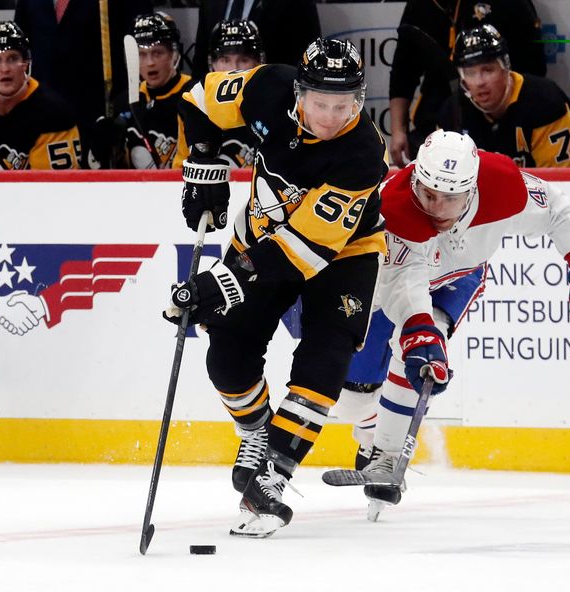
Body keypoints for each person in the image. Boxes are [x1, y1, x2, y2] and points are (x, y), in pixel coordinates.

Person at [165, 38, 388, 536]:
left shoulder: (361, 155)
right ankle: (256, 430)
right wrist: (204, 171)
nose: (331, 116)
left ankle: (274, 473)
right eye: (320, 103)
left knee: (327, 355)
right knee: (226, 357)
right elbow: (199, 99)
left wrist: (221, 283)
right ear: (299, 92)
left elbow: (302, 252)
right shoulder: (265, 87)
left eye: (344, 104)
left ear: (359, 99)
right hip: (262, 236)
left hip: (344, 252)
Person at [332, 130, 570, 509]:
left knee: (425, 340)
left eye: (449, 198)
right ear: (416, 177)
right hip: (391, 279)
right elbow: (406, 287)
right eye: (429, 194)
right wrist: (418, 333)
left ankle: (385, 456)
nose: (436, 208)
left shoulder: (500, 183)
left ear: (471, 189)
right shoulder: (395, 208)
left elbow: (555, 209)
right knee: (354, 398)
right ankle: (370, 431)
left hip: (458, 277)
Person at [388, 0, 546, 167]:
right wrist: (398, 130)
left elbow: (533, 68)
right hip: (438, 119)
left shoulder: (511, 5)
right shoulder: (420, 5)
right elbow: (403, 71)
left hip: (506, 120)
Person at [14, 0, 152, 168]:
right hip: (45, 118)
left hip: (99, 115)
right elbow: (21, 45)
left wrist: (121, 110)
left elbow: (140, 44)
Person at [439, 24, 570, 167]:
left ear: (506, 66)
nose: (479, 82)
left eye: (488, 70)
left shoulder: (545, 104)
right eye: (470, 73)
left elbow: (565, 183)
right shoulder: (452, 113)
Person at [0, 21, 80, 170]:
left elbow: (52, 190)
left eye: (13, 58)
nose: (5, 69)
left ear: (26, 64)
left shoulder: (52, 114)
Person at [173, 19, 264, 169]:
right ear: (211, 63)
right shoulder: (195, 104)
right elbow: (181, 168)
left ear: (259, 63)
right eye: (225, 60)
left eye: (244, 60)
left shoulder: (274, 102)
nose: (233, 69)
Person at [117, 12, 192, 169]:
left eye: (158, 53)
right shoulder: (124, 101)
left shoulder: (194, 94)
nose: (150, 62)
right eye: (141, 54)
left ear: (174, 53)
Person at [192, 0, 321, 79]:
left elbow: (310, 60)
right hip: (215, 106)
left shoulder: (297, 3)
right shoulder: (209, 3)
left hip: (273, 105)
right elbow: (201, 59)